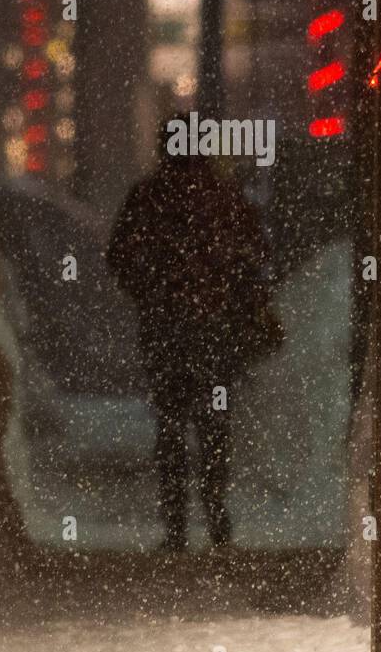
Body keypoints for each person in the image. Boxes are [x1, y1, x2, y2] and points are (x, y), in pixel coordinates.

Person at [107, 122, 272, 552]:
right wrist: (236, 302)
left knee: (171, 423)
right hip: (215, 332)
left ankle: (176, 525)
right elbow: (253, 255)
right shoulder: (223, 197)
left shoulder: (149, 197)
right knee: (215, 423)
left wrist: (152, 293)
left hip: (166, 330)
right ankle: (217, 519)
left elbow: (120, 255)